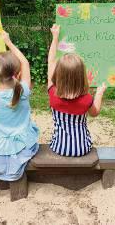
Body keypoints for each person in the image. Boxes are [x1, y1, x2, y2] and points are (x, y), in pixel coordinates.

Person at [0, 30, 39, 181]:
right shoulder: (22, 92)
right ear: (17, 74)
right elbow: (25, 63)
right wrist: (8, 42)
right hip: (24, 146)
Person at [48, 24, 106, 157]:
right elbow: (95, 113)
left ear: (58, 74)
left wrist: (55, 37)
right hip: (83, 148)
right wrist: (99, 93)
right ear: (81, 76)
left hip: (59, 147)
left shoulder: (52, 92)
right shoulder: (86, 100)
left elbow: (51, 61)